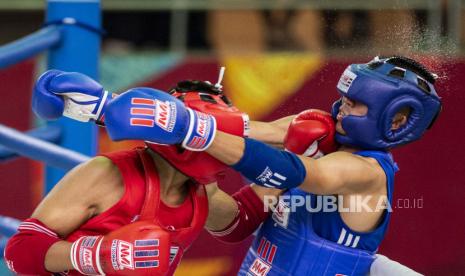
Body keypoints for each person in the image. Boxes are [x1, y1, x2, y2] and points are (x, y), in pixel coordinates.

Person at [67, 56, 440, 275]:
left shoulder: (365, 173)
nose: (341, 108)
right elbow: (236, 221)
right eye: (343, 98)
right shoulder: (314, 134)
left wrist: (189, 128)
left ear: (395, 120)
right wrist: (109, 110)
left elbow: (295, 172)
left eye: (357, 104)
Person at [4, 71, 292, 275]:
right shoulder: (108, 174)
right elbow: (19, 252)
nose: (227, 148)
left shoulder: (202, 192)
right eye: (215, 135)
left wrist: (297, 162)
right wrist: (97, 254)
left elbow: (239, 222)